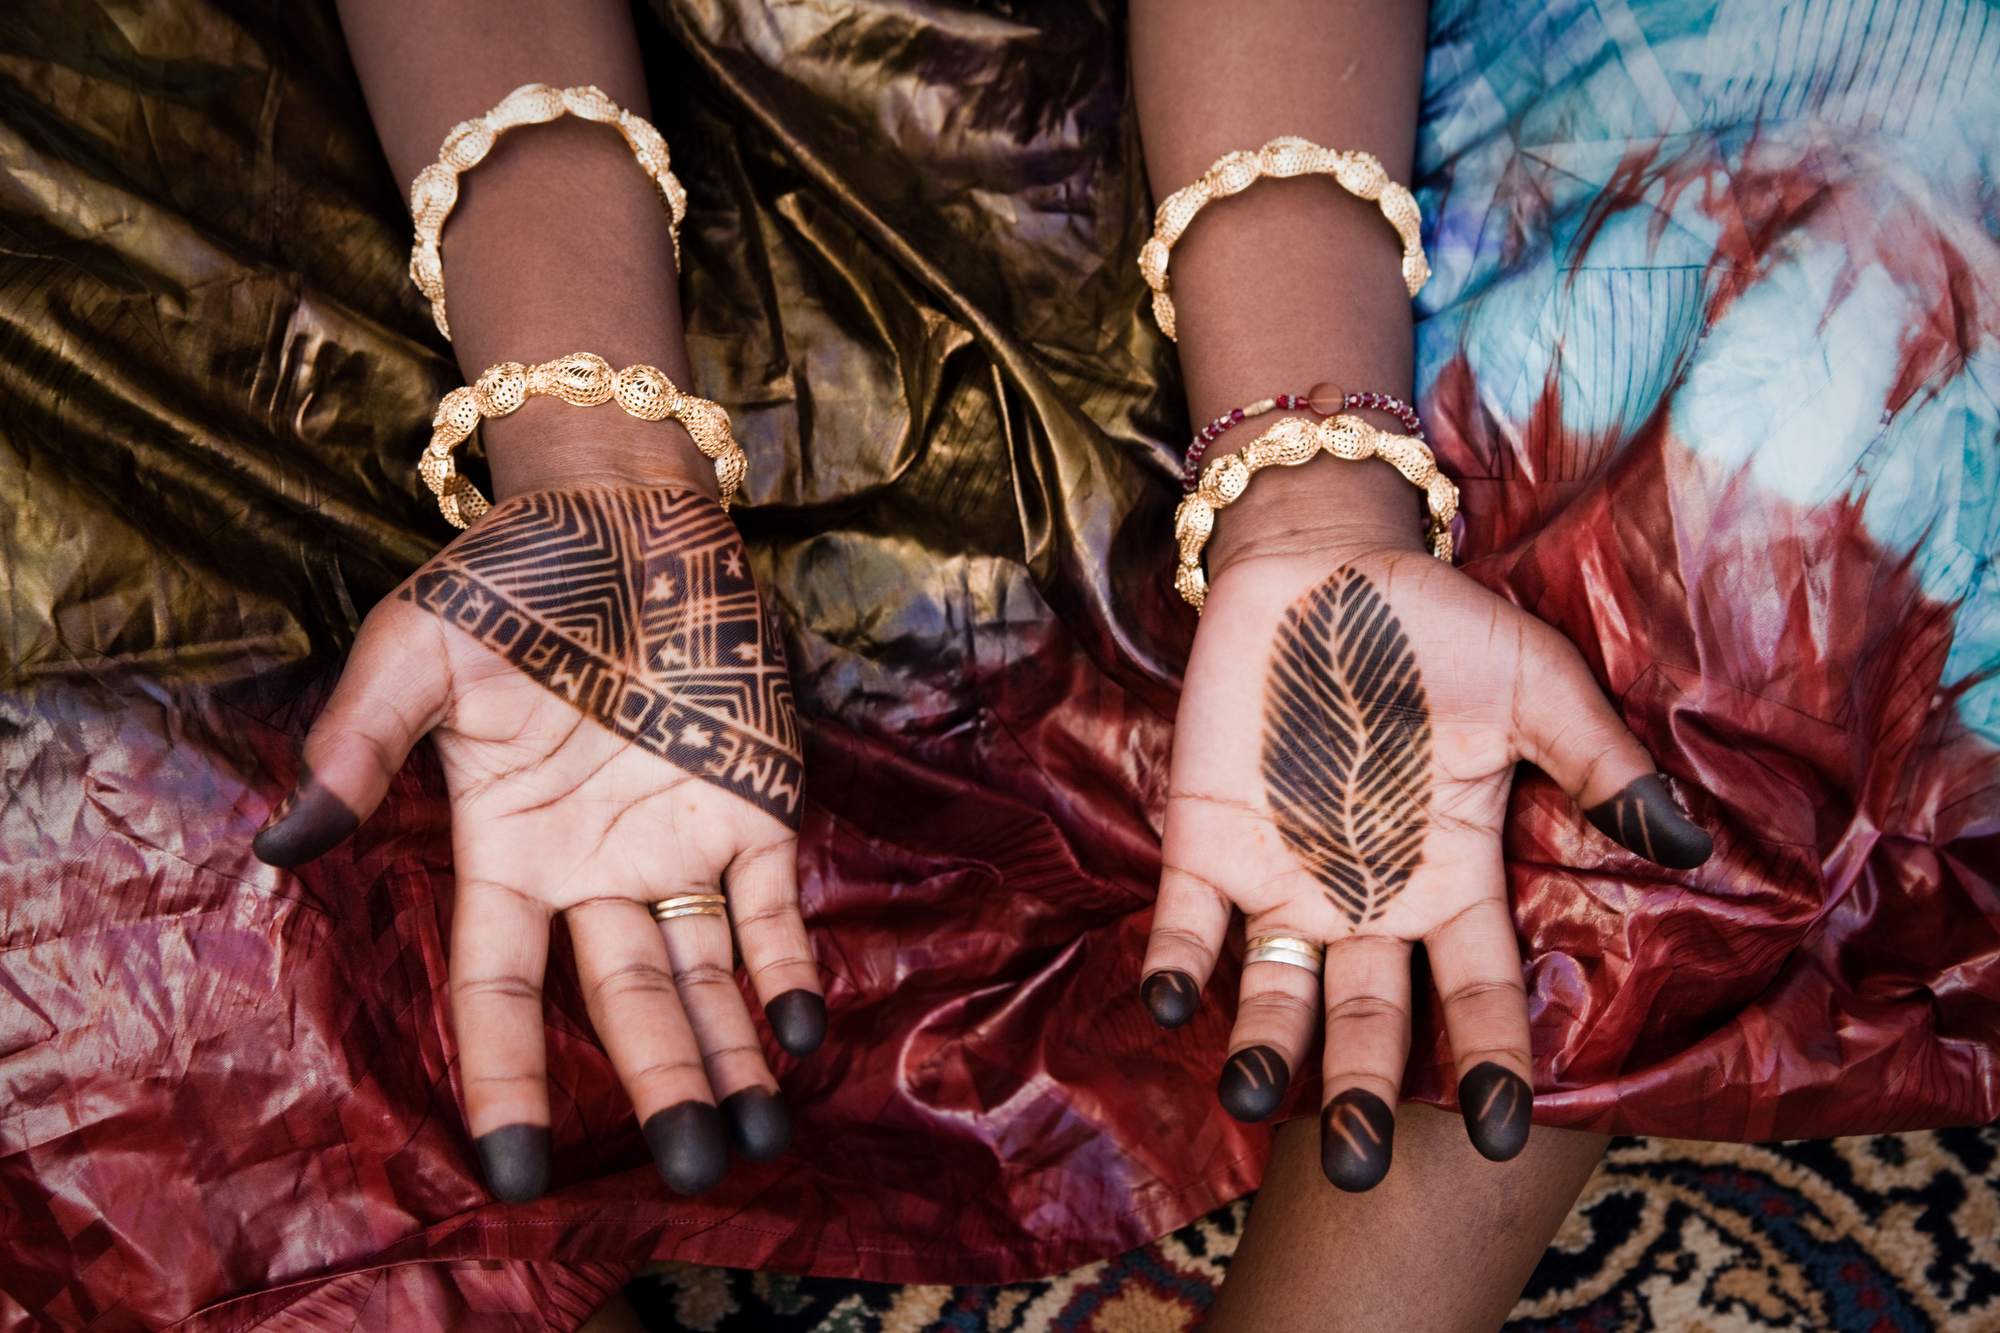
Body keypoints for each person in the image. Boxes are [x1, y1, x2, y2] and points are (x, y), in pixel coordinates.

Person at [1, 0, 1994, 1329]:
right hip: (488, 160)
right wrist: (590, 451)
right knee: (111, 864)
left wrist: (1311, 495)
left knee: (1793, 413)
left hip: (1192, 124)